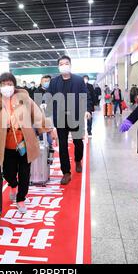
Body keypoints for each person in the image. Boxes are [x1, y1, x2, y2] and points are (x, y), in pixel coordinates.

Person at [0, 72, 54, 214]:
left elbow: (37, 115)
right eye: (3, 84)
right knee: (7, 173)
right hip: (6, 145)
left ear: (14, 85)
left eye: (9, 84)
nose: (7, 87)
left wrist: (49, 130)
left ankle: (21, 198)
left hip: (25, 143)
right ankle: (13, 184)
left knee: (24, 173)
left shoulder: (24, 98)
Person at [45, 55, 92, 185]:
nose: (64, 65)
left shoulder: (78, 80)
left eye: (66, 63)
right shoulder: (54, 82)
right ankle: (66, 172)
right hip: (60, 118)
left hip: (75, 116)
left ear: (70, 65)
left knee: (78, 142)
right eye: (61, 63)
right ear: (58, 66)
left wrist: (88, 109)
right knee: (63, 145)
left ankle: (78, 160)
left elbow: (86, 96)